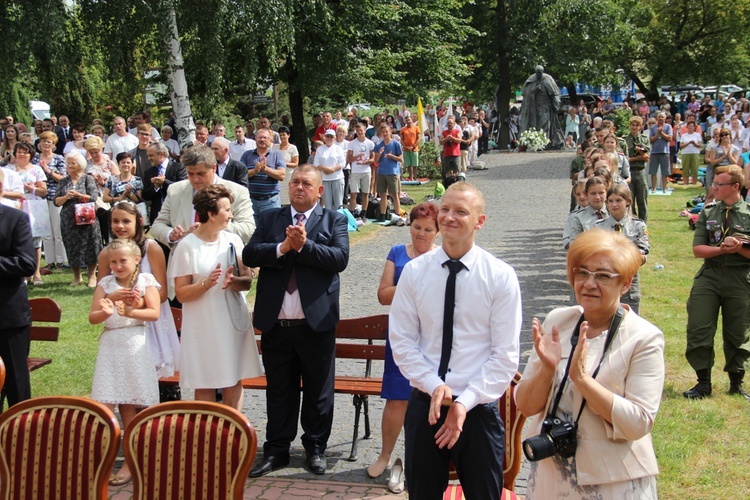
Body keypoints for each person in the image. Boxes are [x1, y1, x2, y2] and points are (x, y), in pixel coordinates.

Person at [388, 182, 521, 499]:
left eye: (461, 211)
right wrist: (433, 384)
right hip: (426, 405)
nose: (449, 217)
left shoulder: (499, 276)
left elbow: (504, 356)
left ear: (480, 221)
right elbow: (402, 342)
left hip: (476, 408)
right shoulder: (415, 273)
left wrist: (465, 401)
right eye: (445, 209)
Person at [516, 228, 664, 499]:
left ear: (626, 283)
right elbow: (525, 405)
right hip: (551, 477)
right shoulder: (558, 321)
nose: (589, 283)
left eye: (603, 276)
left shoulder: (644, 338)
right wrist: (547, 371)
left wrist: (583, 380)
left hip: (614, 481)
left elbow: (638, 423)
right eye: (582, 272)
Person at [243, 165, 349, 477]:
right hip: (277, 324)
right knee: (279, 390)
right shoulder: (270, 217)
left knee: (318, 391)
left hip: (316, 323)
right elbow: (250, 254)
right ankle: (277, 450)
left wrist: (305, 247)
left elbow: (339, 259)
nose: (299, 187)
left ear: (320, 191)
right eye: (295, 182)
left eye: (306, 184)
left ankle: (315, 448)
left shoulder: (335, 219)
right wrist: (282, 247)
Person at [168, 184, 262, 410]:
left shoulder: (233, 241)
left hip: (231, 319)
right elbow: (181, 293)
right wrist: (205, 283)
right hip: (203, 323)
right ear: (211, 214)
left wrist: (234, 282)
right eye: (226, 209)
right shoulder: (187, 246)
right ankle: (206, 436)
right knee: (205, 379)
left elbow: (247, 280)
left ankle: (233, 432)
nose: (231, 214)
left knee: (234, 376)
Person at [368, 203, 440, 489]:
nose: (421, 234)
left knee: (432, 399)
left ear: (438, 232)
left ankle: (425, 461)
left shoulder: (443, 258)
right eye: (417, 227)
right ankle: (385, 455)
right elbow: (383, 295)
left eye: (428, 230)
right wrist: (411, 281)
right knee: (397, 398)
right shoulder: (397, 253)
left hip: (433, 338)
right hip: (401, 336)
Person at [88, 239, 161, 486]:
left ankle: (130, 461)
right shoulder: (105, 284)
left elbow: (154, 313)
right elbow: (93, 317)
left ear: (136, 259)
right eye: (113, 262)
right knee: (104, 407)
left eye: (123, 261)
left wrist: (130, 311)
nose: (117, 266)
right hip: (110, 348)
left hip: (134, 345)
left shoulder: (145, 281)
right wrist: (107, 308)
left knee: (130, 406)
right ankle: (101, 460)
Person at [684, 165, 750, 401]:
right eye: (714, 183)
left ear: (735, 186)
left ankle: (736, 383)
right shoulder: (709, 211)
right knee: (699, 327)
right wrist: (721, 248)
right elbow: (697, 250)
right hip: (710, 275)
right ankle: (703, 383)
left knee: (738, 332)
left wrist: (740, 247)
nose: (714, 188)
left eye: (719, 184)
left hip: (740, 277)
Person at [97, 201, 179, 379]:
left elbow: (163, 292)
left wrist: (138, 303)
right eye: (115, 221)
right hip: (121, 321)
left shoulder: (151, 248)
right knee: (126, 375)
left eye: (126, 221)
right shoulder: (106, 253)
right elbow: (100, 292)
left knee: (154, 374)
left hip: (151, 320)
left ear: (139, 221)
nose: (120, 226)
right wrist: (113, 299)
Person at [151, 145, 254, 250]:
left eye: (201, 174)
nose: (195, 179)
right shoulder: (175, 190)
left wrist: (211, 226)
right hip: (184, 259)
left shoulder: (238, 192)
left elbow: (248, 230)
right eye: (190, 174)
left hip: (222, 260)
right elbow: (157, 226)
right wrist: (171, 234)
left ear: (214, 168)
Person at [0, 168, 36, 407]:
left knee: (16, 383)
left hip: (7, 317)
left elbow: (27, 263)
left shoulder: (15, 218)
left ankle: (22, 436)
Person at [595, 185, 649, 313]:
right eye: (611, 201)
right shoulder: (599, 227)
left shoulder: (638, 226)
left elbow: (643, 252)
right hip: (605, 278)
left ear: (628, 202)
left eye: (618, 200)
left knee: (630, 317)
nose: (614, 204)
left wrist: (625, 259)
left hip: (628, 278)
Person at [55, 152, 102, 287]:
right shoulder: (64, 181)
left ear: (80, 165)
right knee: (72, 245)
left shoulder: (88, 179)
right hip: (68, 218)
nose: (69, 166)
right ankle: (77, 276)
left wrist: (79, 195)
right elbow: (56, 201)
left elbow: (93, 197)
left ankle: (92, 276)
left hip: (86, 217)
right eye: (68, 163)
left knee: (90, 245)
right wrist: (66, 197)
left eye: (72, 163)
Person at [33, 131, 68, 272]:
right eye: (44, 141)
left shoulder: (59, 158)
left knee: (57, 230)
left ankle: (61, 261)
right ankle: (49, 261)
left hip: (56, 197)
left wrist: (48, 171)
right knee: (45, 231)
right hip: (39, 198)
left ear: (53, 145)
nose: (46, 144)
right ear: (39, 143)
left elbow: (63, 179)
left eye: (49, 142)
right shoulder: (34, 159)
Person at [242, 128, 286, 226]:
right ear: (255, 138)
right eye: (260, 137)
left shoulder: (277, 154)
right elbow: (240, 175)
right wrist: (255, 171)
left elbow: (281, 175)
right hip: (251, 201)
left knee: (272, 231)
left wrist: (265, 169)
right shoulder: (247, 155)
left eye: (265, 138)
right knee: (253, 233)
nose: (262, 140)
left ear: (270, 140)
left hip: (271, 201)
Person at [141, 142, 186, 229]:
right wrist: (156, 187)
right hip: (158, 216)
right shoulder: (149, 172)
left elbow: (182, 188)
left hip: (176, 214)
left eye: (151, 155)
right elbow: (145, 195)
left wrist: (164, 182)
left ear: (161, 154)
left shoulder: (179, 168)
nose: (149, 158)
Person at [519, 65, 565, 148]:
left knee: (544, 124)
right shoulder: (531, 80)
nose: (538, 74)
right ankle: (535, 142)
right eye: (537, 73)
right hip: (533, 107)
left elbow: (555, 93)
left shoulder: (548, 79)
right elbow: (525, 93)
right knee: (534, 124)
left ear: (542, 72)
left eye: (540, 73)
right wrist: (534, 90)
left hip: (545, 106)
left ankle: (545, 143)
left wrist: (556, 104)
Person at [563, 176, 608, 249]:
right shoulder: (578, 217)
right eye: (593, 193)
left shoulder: (613, 213)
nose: (597, 197)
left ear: (606, 193)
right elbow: (574, 245)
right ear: (587, 194)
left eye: (601, 193)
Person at [347, 122, 376, 218]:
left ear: (364, 131)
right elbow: (349, 159)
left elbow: (373, 159)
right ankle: (351, 212)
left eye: (361, 130)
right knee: (353, 193)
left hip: (366, 171)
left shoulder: (370, 143)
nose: (359, 132)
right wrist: (357, 157)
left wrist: (366, 162)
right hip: (355, 171)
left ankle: (364, 213)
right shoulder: (352, 143)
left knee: (365, 193)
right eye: (358, 131)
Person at [625, 116, 650, 221]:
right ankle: (632, 222)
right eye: (632, 125)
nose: (634, 127)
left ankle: (643, 223)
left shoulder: (644, 139)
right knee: (629, 199)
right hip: (629, 171)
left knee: (642, 199)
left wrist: (641, 153)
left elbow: (647, 157)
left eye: (636, 125)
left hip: (640, 171)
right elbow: (624, 159)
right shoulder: (625, 140)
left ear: (640, 126)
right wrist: (638, 157)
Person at [313, 128, 346, 209]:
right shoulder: (320, 149)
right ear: (324, 137)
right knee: (327, 205)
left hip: (337, 178)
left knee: (338, 204)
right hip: (325, 179)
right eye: (327, 136)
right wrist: (326, 169)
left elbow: (342, 163)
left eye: (331, 137)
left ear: (334, 138)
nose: (329, 139)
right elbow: (316, 164)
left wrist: (333, 169)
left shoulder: (338, 148)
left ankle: (338, 221)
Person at [705, 128, 740, 202]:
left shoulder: (735, 148)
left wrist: (729, 154)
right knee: (711, 194)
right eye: (722, 135)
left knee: (727, 193)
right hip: (718, 170)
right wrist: (722, 157)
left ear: (729, 136)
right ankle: (706, 212)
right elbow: (712, 162)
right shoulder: (714, 148)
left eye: (726, 134)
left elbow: (735, 163)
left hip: (730, 171)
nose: (724, 136)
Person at [648, 112, 672, 193]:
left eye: (662, 117)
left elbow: (669, 138)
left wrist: (661, 133)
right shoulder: (653, 128)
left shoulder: (668, 127)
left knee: (665, 172)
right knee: (653, 171)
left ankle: (664, 188)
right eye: (659, 117)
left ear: (665, 118)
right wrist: (657, 135)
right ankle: (654, 188)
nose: (661, 118)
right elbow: (650, 140)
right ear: (657, 118)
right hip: (654, 152)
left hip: (665, 152)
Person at [679, 121, 702, 185]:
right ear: (687, 127)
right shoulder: (684, 135)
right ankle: (686, 183)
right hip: (685, 153)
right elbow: (681, 146)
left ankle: (694, 183)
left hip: (695, 153)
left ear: (694, 127)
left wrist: (694, 143)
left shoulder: (697, 135)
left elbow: (699, 145)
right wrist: (688, 143)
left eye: (692, 126)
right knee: (685, 168)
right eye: (689, 126)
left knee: (694, 168)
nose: (690, 127)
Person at [400, 114, 422, 181]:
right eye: (406, 120)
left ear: (411, 120)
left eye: (409, 120)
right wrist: (405, 147)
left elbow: (419, 138)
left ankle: (415, 178)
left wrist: (414, 146)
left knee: (415, 165)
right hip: (406, 149)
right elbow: (401, 139)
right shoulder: (403, 129)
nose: (408, 121)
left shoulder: (416, 128)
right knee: (409, 165)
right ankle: (411, 178)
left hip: (414, 149)